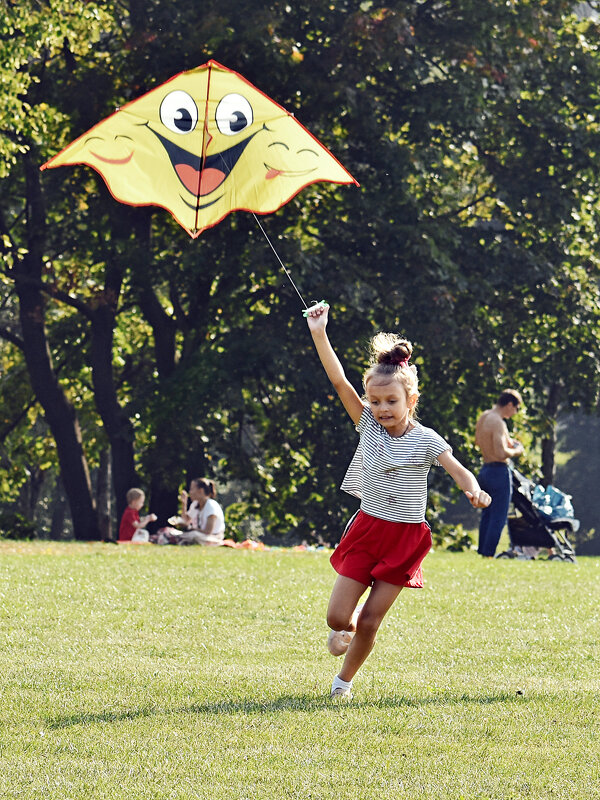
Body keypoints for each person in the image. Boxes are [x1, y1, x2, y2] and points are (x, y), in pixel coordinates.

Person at [306, 303, 491, 699]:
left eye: (390, 401)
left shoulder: (427, 439)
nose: (382, 409)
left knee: (371, 620)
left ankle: (343, 684)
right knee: (338, 617)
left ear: (410, 398)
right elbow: (339, 381)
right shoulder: (368, 427)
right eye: (375, 401)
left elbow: (457, 469)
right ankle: (346, 622)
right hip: (368, 529)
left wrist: (472, 490)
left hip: (405, 538)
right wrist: (320, 332)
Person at [475, 389, 524, 558]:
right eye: (516, 408)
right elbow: (502, 452)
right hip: (499, 471)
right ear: (509, 404)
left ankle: (483, 551)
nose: (515, 412)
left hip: (485, 469)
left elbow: (478, 441)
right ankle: (489, 554)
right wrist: (517, 451)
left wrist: (508, 442)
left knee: (487, 513)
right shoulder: (498, 422)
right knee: (499, 515)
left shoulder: (485, 416)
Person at [177, 477, 226, 545]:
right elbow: (186, 520)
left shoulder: (211, 506)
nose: (190, 492)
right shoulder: (195, 504)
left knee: (193, 535)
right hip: (199, 535)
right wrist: (184, 503)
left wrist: (191, 529)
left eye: (192, 489)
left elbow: (208, 532)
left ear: (201, 491)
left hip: (213, 538)